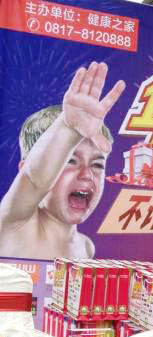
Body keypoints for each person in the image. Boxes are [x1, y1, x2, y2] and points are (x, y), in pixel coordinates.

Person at [0, 62, 125, 260]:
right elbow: (34, 179)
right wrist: (67, 130)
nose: (87, 174)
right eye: (70, 160)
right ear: (24, 168)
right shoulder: (14, 224)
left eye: (97, 164)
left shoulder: (86, 247)